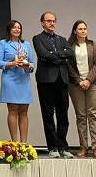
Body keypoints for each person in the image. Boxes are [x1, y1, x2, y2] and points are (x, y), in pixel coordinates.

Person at [32, 12, 75, 159]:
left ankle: (63, 146)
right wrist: (59, 55)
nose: (52, 23)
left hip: (62, 80)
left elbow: (70, 53)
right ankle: (53, 147)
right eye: (48, 21)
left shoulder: (62, 39)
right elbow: (43, 54)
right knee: (48, 115)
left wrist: (56, 55)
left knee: (63, 115)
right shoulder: (37, 38)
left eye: (53, 21)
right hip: (46, 81)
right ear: (42, 23)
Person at [67, 20, 96, 159]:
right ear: (75, 31)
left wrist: (88, 80)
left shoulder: (93, 45)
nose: (83, 31)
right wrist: (79, 81)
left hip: (94, 84)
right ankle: (83, 147)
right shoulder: (69, 46)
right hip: (76, 85)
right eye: (80, 29)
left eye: (85, 29)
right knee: (81, 116)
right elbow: (68, 66)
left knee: (93, 115)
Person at [0, 20, 35, 143]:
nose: (17, 29)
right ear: (9, 30)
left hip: (24, 79)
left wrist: (28, 66)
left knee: (24, 111)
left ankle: (23, 144)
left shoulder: (26, 44)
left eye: (19, 27)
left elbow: (33, 63)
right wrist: (12, 63)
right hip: (10, 80)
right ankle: (15, 143)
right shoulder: (3, 44)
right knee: (13, 111)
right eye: (14, 28)